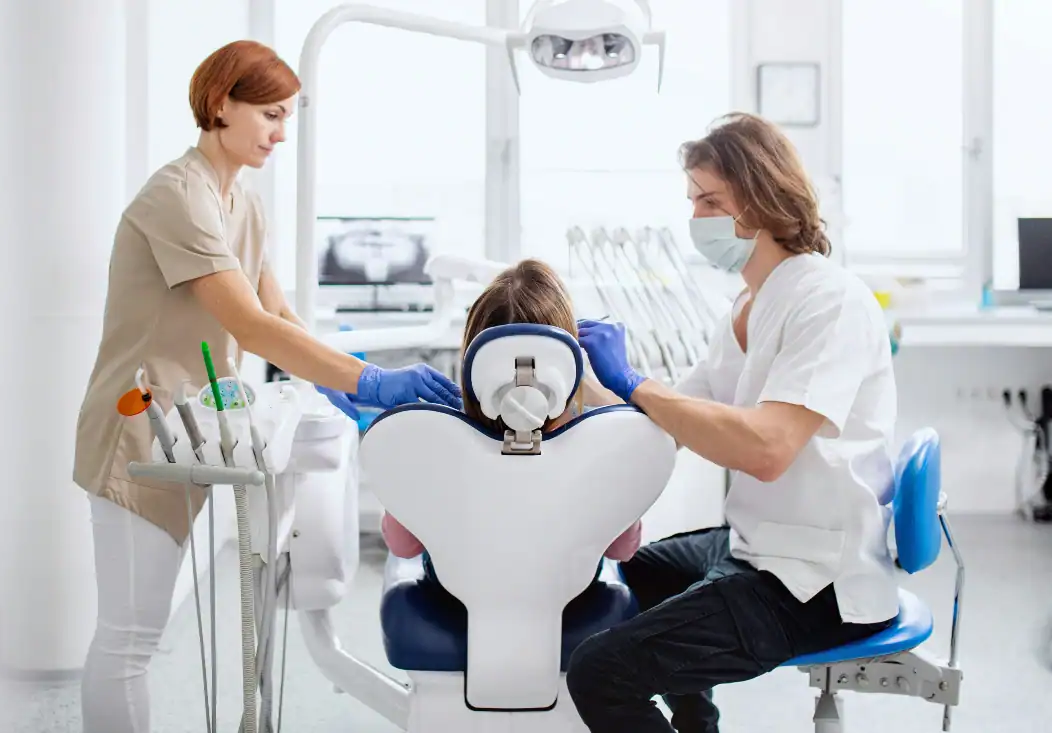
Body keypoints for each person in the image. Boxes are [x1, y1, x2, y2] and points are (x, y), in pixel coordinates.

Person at [72, 40, 460, 733]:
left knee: (139, 631)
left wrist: (342, 384)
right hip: (137, 429)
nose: (281, 133)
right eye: (271, 114)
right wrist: (372, 380)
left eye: (288, 118)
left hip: (191, 429)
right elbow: (249, 325)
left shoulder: (242, 201)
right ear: (222, 104)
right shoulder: (177, 197)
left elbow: (278, 313)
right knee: (130, 637)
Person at [568, 112, 900, 733]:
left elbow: (767, 450)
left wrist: (634, 382)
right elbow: (675, 417)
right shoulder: (749, 305)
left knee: (599, 671)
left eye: (711, 201)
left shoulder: (828, 300)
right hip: (762, 543)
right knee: (628, 577)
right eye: (693, 201)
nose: (697, 218)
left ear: (762, 197)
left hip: (817, 581)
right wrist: (582, 386)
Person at [380, 258, 643, 571]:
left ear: (473, 356)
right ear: (567, 360)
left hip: (457, 594)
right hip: (569, 595)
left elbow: (403, 545)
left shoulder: (439, 439)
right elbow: (622, 549)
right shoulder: (598, 441)